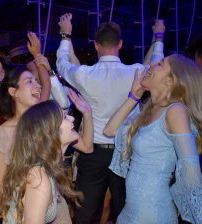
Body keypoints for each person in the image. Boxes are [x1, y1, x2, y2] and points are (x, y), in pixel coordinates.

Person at [56, 13, 165, 223]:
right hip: (126, 153)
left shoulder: (85, 74)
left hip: (93, 153)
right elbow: (156, 63)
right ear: (120, 44)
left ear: (96, 45)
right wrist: (158, 37)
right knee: (128, 212)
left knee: (86, 214)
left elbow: (62, 64)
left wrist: (65, 35)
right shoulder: (136, 72)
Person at [104, 54, 202, 223]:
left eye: (160, 63)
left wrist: (181, 199)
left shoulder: (175, 111)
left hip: (153, 213)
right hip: (132, 211)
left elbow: (191, 170)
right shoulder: (149, 109)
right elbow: (110, 130)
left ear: (169, 81)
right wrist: (133, 96)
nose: (151, 64)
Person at [0, 97, 92, 223]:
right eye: (64, 118)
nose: (72, 118)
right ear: (50, 132)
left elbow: (87, 146)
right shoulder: (39, 179)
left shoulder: (47, 166)